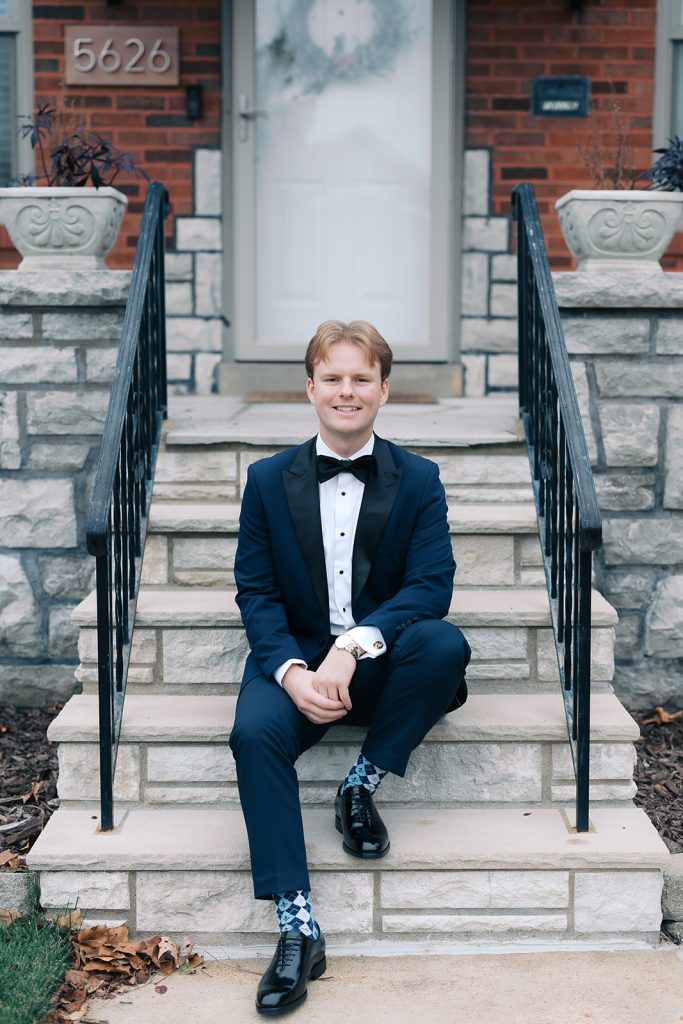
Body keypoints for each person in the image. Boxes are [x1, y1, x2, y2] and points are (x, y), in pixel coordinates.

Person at [229, 319, 471, 1015]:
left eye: (360, 378)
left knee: (444, 645)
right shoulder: (269, 480)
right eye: (331, 377)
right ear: (309, 389)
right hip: (298, 665)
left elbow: (430, 586)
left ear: (383, 391)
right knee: (253, 736)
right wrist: (292, 672)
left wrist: (353, 644)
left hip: (380, 666)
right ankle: (297, 927)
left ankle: (359, 785)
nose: (346, 390)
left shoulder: (418, 478)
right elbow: (256, 590)